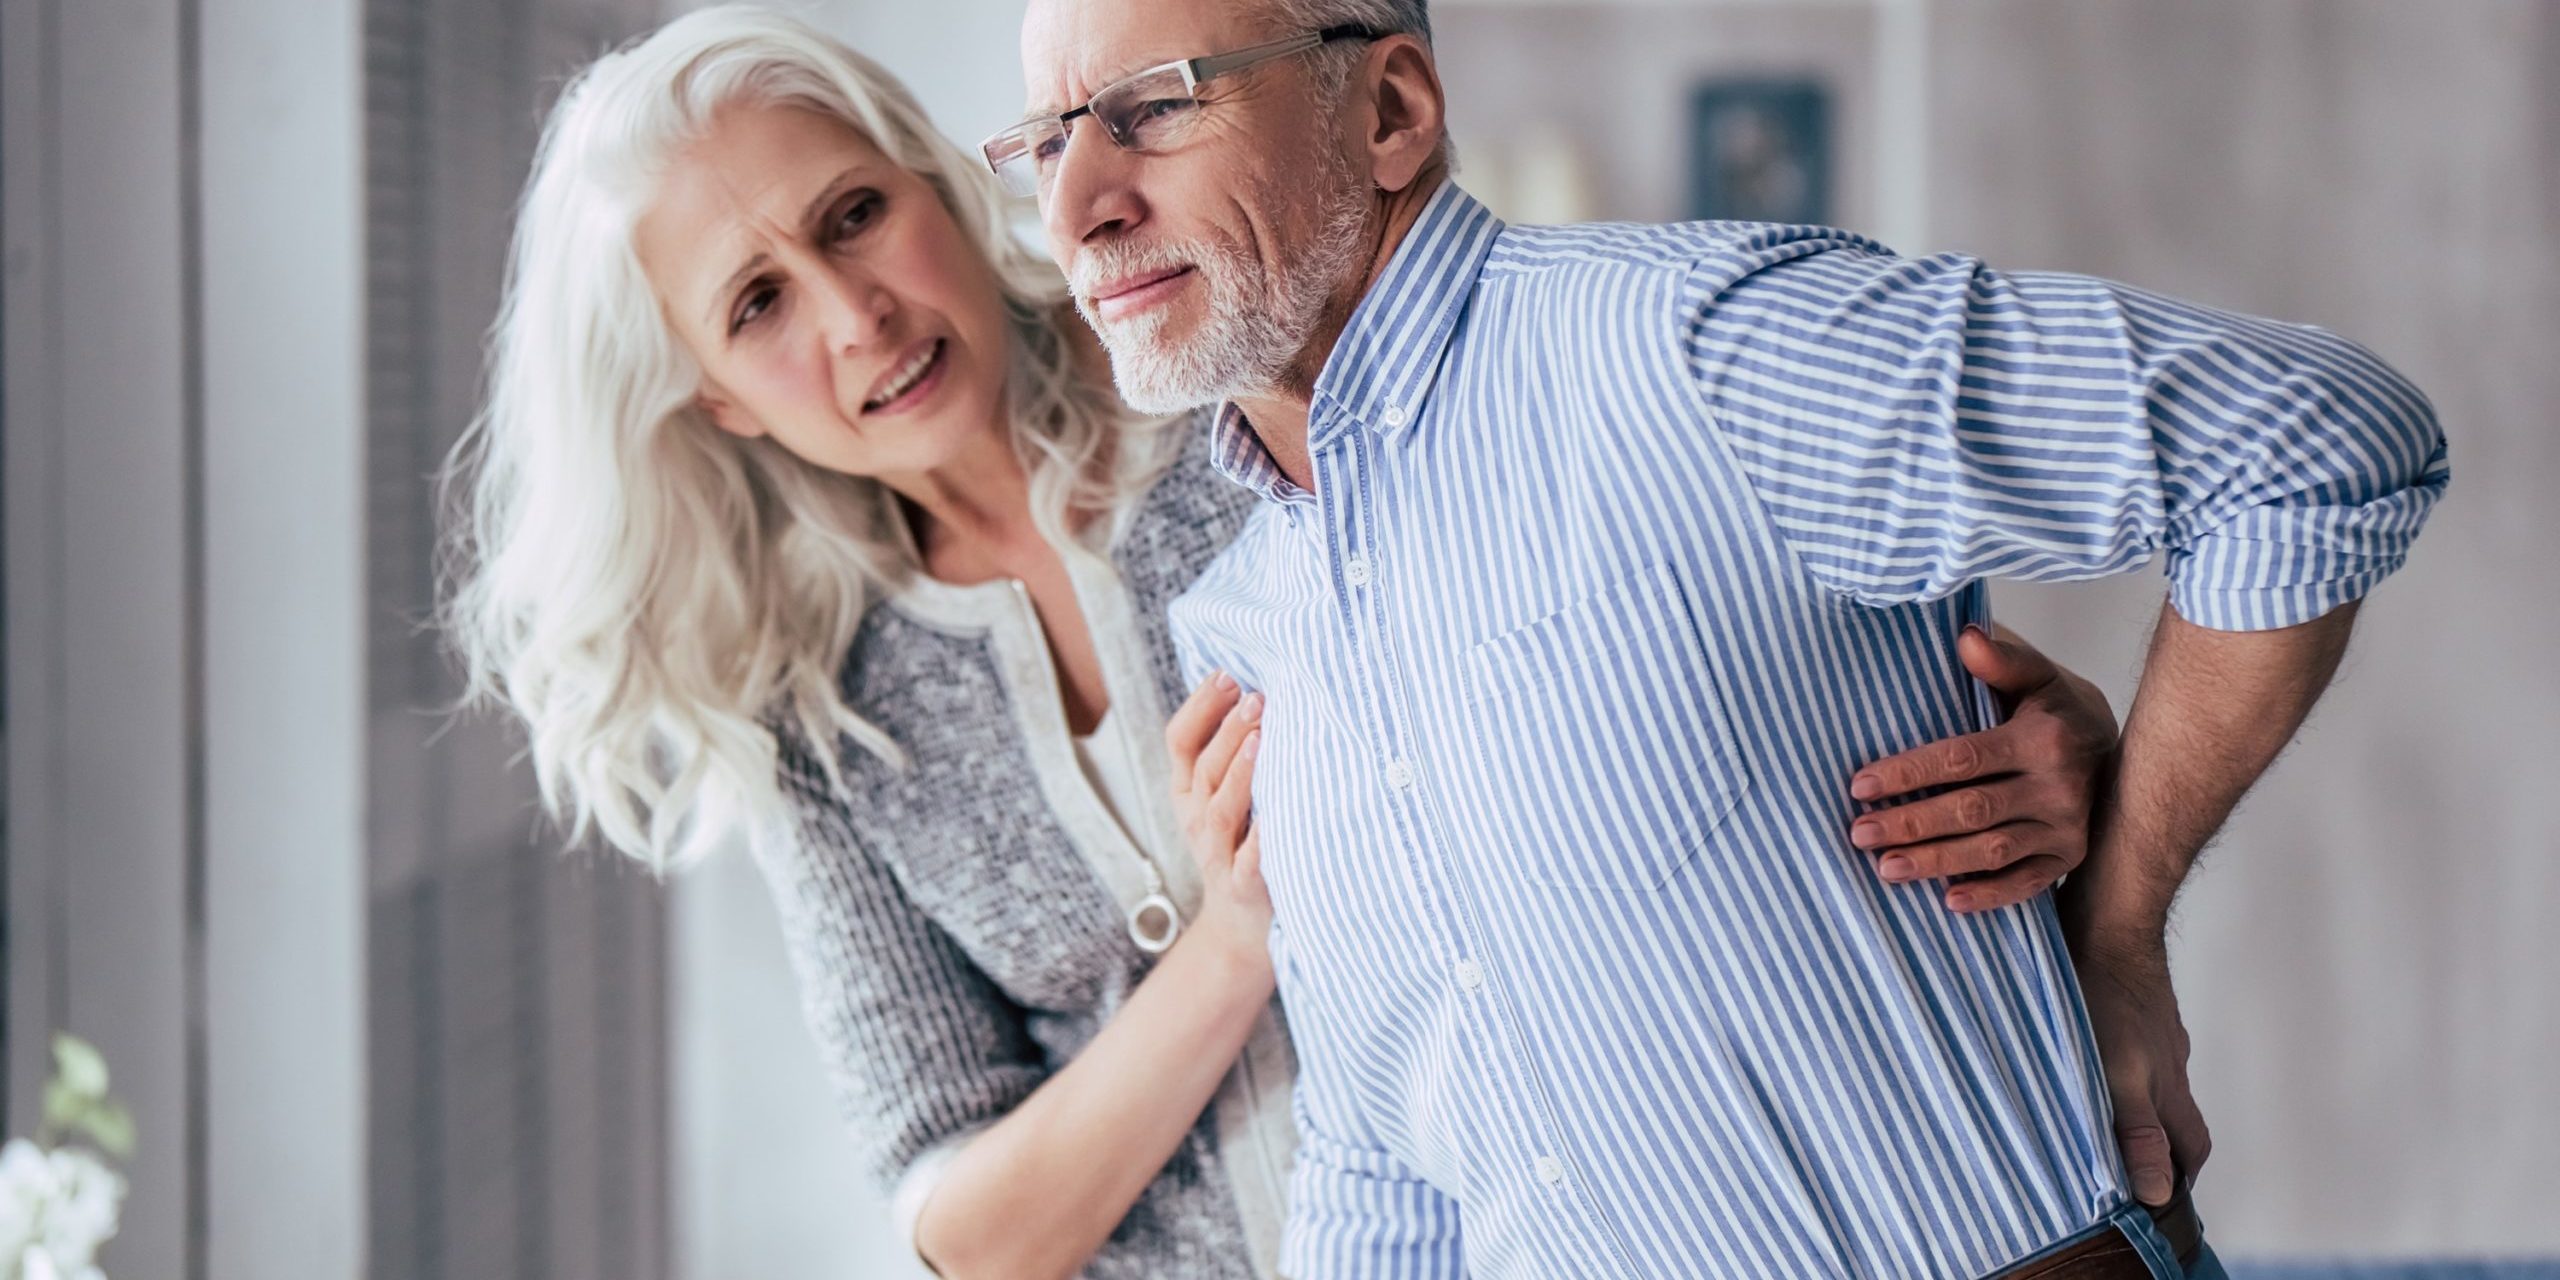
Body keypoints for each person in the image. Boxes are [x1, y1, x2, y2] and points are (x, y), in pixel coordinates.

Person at [439, 7, 2128, 1279]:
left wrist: (2065, 773)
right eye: (757, 304)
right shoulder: (820, 728)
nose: (854, 315)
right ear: (713, 402)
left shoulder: (1248, 396)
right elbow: (966, 1230)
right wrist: (1244, 933)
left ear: (943, 184)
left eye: (854, 216)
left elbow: (1684, 661)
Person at [1000, 0, 2449, 1275]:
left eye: (1156, 107)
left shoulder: (1698, 351)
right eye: (1047, 143)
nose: (1081, 207)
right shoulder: (1246, 614)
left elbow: (2312, 446)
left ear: (1388, 111)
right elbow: (1393, 1145)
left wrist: (2120, 930)